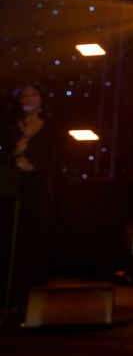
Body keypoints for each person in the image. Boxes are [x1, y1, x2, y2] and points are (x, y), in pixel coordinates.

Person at [0, 83, 57, 318]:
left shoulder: (51, 127)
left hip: (38, 188)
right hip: (13, 187)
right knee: (10, 239)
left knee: (33, 239)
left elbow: (56, 158)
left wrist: (33, 164)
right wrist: (16, 152)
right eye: (24, 95)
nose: (29, 98)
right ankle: (8, 297)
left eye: (34, 94)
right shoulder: (9, 127)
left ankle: (30, 297)